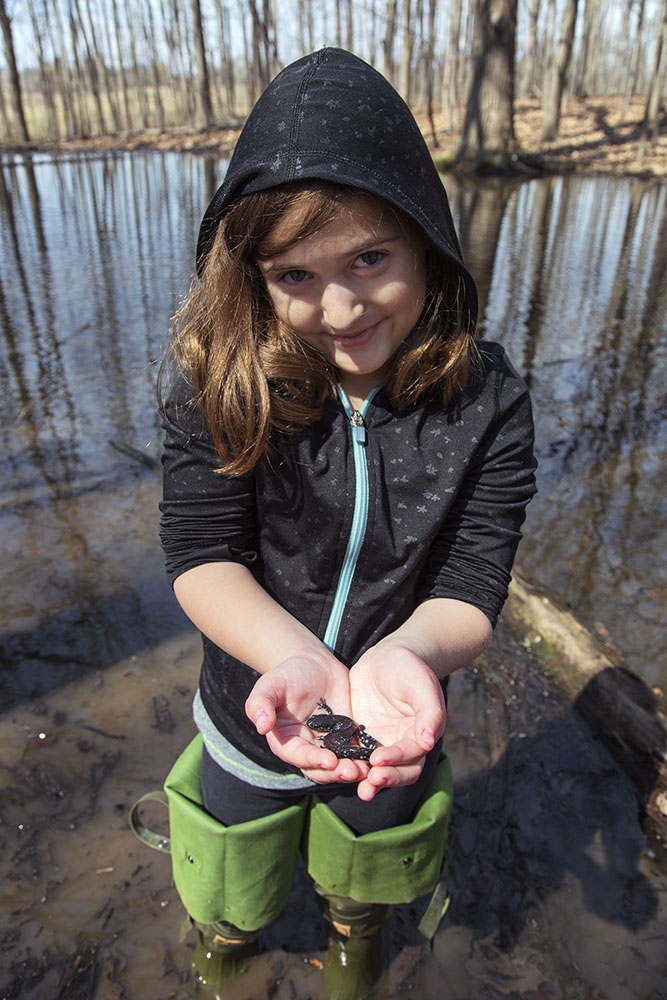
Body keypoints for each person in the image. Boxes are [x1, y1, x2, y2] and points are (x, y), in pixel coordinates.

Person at [158, 47, 537, 998]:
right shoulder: (220, 387)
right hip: (259, 706)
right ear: (251, 277)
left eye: (370, 257)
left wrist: (410, 656)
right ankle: (225, 955)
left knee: (370, 865)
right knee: (230, 878)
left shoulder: (487, 401)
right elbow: (203, 557)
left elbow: (473, 580)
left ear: (427, 240)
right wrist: (289, 660)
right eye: (294, 274)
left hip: (393, 712)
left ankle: (351, 942)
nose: (338, 307)